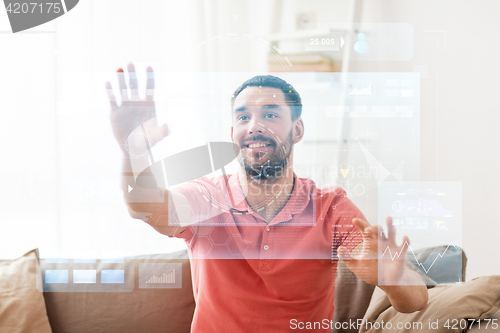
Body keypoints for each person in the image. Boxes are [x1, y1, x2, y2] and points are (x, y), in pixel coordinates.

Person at [106, 64, 428, 332]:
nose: (254, 126)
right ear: (233, 132)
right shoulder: (207, 195)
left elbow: (414, 301)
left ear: (297, 130)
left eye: (270, 115)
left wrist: (393, 277)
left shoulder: (330, 206)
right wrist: (134, 149)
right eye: (243, 117)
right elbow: (144, 206)